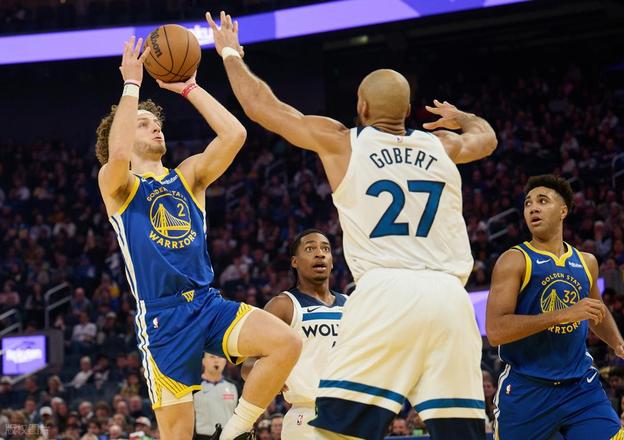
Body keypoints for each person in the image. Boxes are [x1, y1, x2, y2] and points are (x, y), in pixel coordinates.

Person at [206, 11, 497, 439]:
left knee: (336, 430)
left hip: (387, 292)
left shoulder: (344, 141)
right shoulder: (442, 145)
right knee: (461, 431)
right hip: (452, 297)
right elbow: (487, 139)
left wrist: (230, 53)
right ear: (409, 111)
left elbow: (262, 107)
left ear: (361, 107)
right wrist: (462, 116)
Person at [95, 36, 301, 440]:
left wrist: (189, 87)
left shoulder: (188, 176)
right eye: (142, 124)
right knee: (178, 435)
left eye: (156, 122)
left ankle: (236, 431)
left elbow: (234, 134)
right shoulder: (117, 185)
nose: (155, 127)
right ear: (122, 135)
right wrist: (131, 85)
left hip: (208, 302)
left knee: (287, 343)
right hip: (163, 318)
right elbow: (117, 156)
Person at [486, 174, 624, 439]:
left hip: (580, 387)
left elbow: (596, 311)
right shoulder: (514, 260)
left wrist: (619, 345)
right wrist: (560, 315)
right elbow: (496, 331)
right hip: (528, 389)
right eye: (527, 203)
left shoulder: (586, 262)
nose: (533, 208)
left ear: (563, 210)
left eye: (542, 201)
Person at [242, 229, 347, 439]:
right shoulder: (283, 305)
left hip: (351, 413)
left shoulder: (350, 304)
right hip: (306, 416)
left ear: (332, 261)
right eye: (310, 249)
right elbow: (247, 365)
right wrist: (269, 374)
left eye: (325, 249)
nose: (320, 254)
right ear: (295, 262)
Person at [193, 353, 239, 439]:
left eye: (220, 357)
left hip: (227, 437)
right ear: (203, 361)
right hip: (201, 436)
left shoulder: (234, 386)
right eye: (212, 357)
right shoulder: (193, 386)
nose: (216, 360)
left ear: (225, 361)